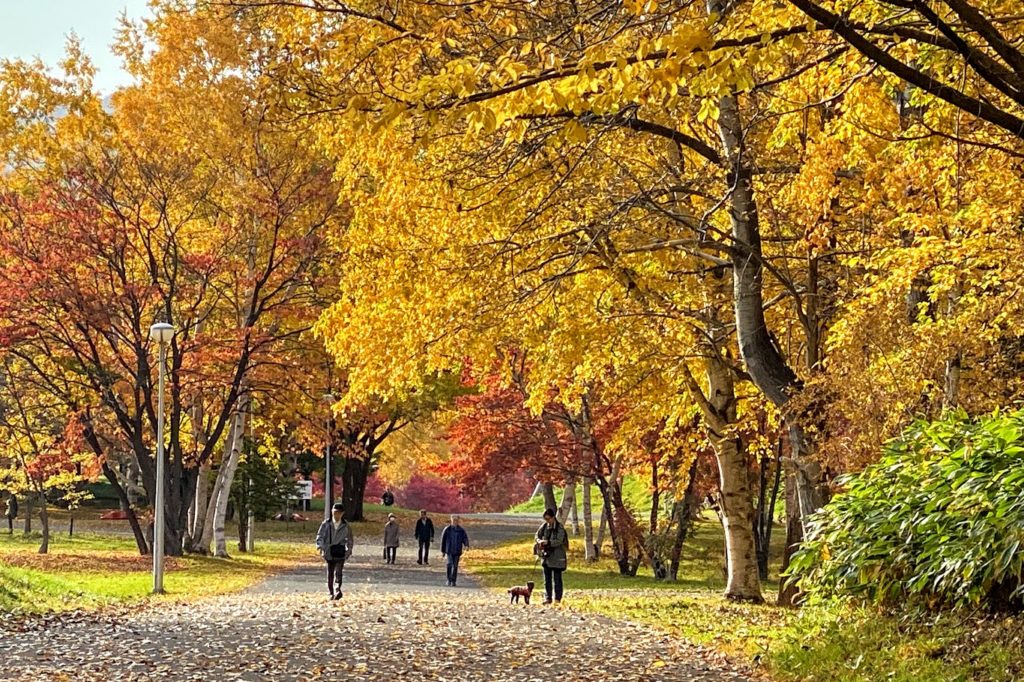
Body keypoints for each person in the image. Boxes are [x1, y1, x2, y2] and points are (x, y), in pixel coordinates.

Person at [315, 503, 354, 600]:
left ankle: (337, 589)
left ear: (342, 514)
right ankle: (331, 592)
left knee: (339, 572)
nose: (336, 515)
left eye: (338, 513)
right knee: (330, 573)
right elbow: (320, 536)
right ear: (332, 512)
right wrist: (321, 547)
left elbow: (350, 539)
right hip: (328, 552)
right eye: (335, 512)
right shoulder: (326, 524)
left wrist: (348, 551)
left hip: (340, 552)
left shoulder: (345, 526)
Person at [535, 508, 569, 604]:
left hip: (557, 557)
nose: (547, 521)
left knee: (557, 579)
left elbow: (559, 541)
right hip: (547, 557)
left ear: (553, 517)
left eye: (549, 519)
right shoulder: (544, 526)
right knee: (547, 579)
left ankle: (558, 599)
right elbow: (537, 535)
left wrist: (548, 542)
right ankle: (548, 598)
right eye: (545, 519)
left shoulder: (560, 528)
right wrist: (539, 541)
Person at [439, 515, 469, 587]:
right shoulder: (447, 529)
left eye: (456, 520)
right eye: (453, 520)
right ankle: (449, 579)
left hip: (457, 550)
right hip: (449, 550)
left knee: (455, 566)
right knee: (449, 564)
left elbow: (464, 538)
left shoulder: (461, 530)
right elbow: (443, 540)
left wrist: (466, 545)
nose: (455, 521)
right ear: (451, 520)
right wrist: (443, 551)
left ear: (458, 521)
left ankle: (453, 580)